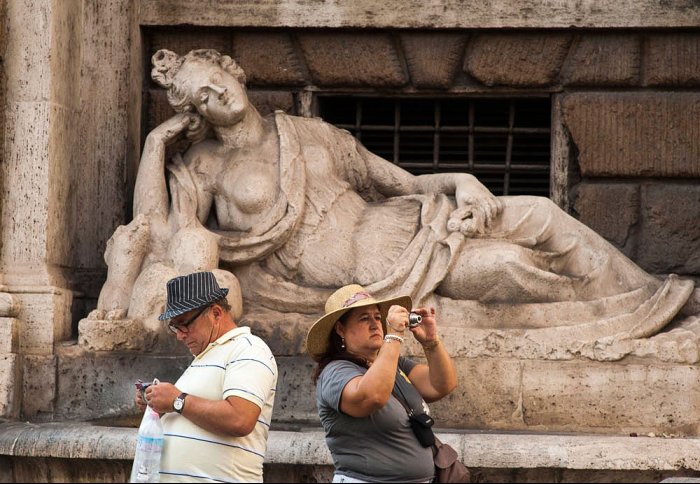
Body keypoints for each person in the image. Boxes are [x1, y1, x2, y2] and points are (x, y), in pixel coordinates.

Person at [100, 47, 697, 345]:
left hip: (404, 223)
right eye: (198, 99)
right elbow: (153, 232)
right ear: (192, 114)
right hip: (373, 274)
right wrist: (156, 144)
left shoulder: (313, 134)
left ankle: (661, 304)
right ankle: (624, 324)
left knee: (539, 212)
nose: (214, 100)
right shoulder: (202, 165)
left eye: (215, 84)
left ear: (236, 73)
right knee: (510, 267)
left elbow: (405, 183)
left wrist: (463, 179)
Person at [134, 271, 278, 482]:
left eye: (184, 323)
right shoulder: (203, 355)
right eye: (174, 326)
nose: (179, 334)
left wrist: (176, 400)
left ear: (216, 313)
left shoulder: (249, 349)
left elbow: (240, 419)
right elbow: (193, 413)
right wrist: (158, 405)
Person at [306, 284, 457, 483]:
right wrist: (393, 336)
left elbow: (441, 385)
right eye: (364, 318)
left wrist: (431, 342)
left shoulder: (393, 364)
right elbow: (371, 397)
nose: (375, 324)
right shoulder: (335, 371)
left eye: (378, 317)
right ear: (340, 329)